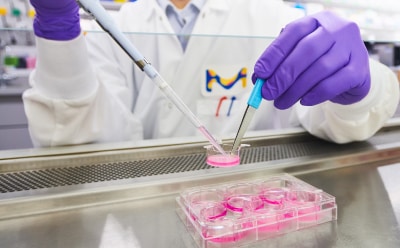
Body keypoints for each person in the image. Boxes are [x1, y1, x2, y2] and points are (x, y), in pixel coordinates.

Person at [23, 0, 399, 148]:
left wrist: (360, 89)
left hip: (255, 217)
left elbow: (337, 120)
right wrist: (58, 31)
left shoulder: (273, 17)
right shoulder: (116, 27)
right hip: (144, 213)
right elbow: (78, 141)